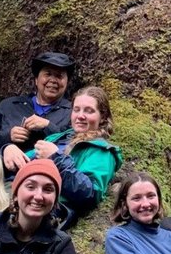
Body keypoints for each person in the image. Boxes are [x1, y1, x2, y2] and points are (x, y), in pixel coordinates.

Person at [9, 85, 123, 228]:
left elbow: (90, 194)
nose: (80, 115)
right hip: (15, 193)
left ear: (102, 117)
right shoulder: (58, 137)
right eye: (76, 110)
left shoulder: (102, 151)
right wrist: (8, 150)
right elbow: (21, 162)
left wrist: (56, 158)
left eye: (89, 111)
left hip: (45, 209)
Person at [0, 52, 75, 173]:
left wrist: (48, 126)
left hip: (50, 180)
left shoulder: (73, 112)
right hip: (5, 179)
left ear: (67, 83)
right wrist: (7, 138)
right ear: (36, 79)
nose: (53, 80)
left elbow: (75, 146)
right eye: (48, 74)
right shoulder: (10, 105)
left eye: (59, 76)